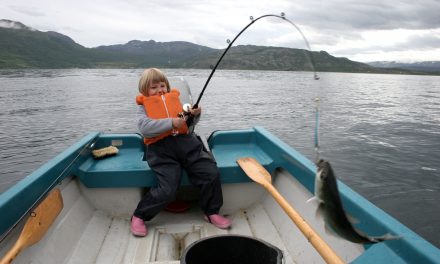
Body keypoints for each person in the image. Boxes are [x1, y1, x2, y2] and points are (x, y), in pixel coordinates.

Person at [131, 68, 232, 237]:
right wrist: (171, 122)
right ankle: (139, 215)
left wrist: (195, 115)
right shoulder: (143, 108)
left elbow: (189, 123)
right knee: (168, 188)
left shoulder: (175, 101)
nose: (160, 89)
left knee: (210, 172)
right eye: (154, 87)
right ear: (145, 91)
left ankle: (211, 211)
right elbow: (145, 128)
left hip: (186, 145)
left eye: (162, 85)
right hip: (161, 151)